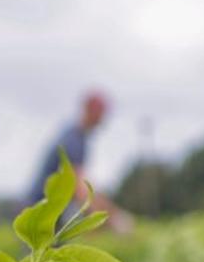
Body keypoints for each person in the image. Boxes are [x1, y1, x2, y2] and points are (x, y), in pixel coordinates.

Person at [26, 91, 134, 231]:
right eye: (101, 113)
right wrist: (113, 218)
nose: (103, 120)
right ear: (91, 111)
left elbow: (83, 186)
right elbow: (81, 190)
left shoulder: (78, 138)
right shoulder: (73, 140)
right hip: (38, 213)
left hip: (50, 213)